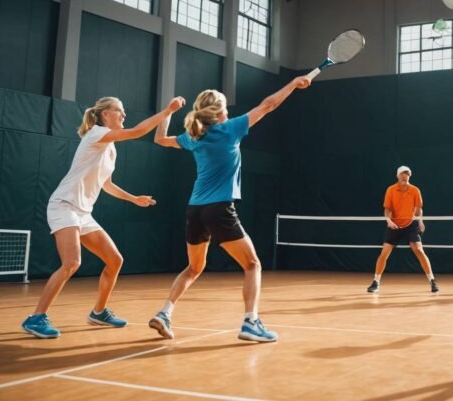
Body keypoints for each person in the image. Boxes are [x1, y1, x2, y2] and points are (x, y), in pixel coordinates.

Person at [149, 76, 310, 343]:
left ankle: (165, 313)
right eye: (225, 106)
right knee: (252, 264)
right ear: (220, 112)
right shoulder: (231, 129)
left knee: (193, 268)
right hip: (219, 209)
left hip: (195, 211)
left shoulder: (193, 137)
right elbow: (268, 105)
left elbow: (159, 139)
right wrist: (293, 84)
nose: (228, 111)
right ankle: (251, 322)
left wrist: (168, 112)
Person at [21, 96, 186, 339]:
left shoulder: (111, 149)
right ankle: (36, 318)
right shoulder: (97, 134)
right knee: (71, 263)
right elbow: (138, 131)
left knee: (115, 260)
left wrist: (133, 199)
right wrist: (167, 111)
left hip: (83, 213)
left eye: (124, 111)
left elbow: (106, 184)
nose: (123, 115)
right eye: (119, 111)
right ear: (104, 115)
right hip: (64, 205)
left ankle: (98, 312)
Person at [366, 166, 439, 294]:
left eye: (407, 174)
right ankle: (376, 282)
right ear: (398, 176)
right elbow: (387, 209)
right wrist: (389, 221)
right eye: (403, 174)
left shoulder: (415, 190)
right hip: (393, 225)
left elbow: (418, 208)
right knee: (384, 253)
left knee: (419, 250)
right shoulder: (391, 190)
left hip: (410, 224)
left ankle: (432, 281)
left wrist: (421, 221)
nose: (405, 176)